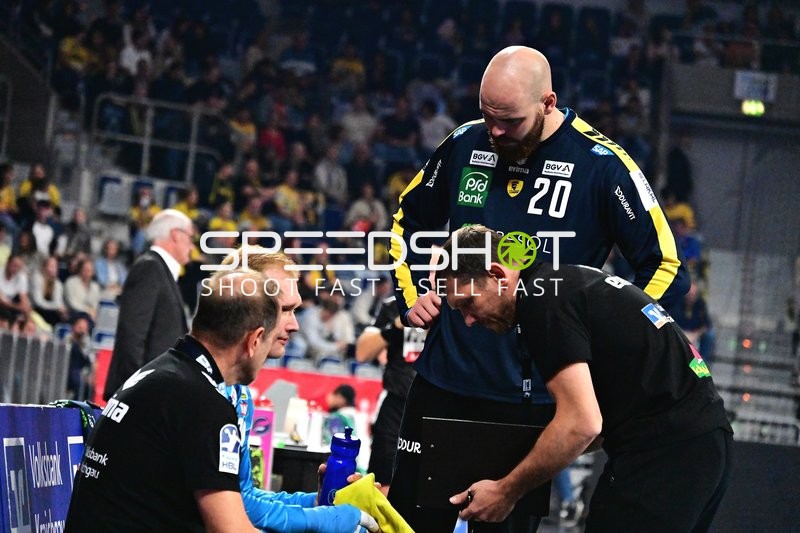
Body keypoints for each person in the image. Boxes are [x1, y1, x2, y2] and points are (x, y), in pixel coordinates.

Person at [387, 45, 689, 531]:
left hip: (531, 401)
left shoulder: (603, 165)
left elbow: (668, 266)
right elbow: (405, 221)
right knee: (403, 525)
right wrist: (415, 291)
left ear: (548, 103)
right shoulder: (466, 143)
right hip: (443, 382)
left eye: (509, 120)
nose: (496, 131)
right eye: (487, 116)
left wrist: (604, 349)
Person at [439, 225, 732, 530]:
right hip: (707, 444)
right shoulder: (565, 283)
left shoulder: (542, 302)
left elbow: (582, 424)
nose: (468, 320)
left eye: (468, 303)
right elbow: (594, 427)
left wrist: (505, 490)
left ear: (498, 276)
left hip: (664, 454)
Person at [65, 270, 280, 531]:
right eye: (269, 341)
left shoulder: (162, 373)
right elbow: (230, 529)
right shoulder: (204, 404)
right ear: (254, 340)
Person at [219, 246, 380, 532]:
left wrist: (318, 501)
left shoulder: (238, 394)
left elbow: (246, 499)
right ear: (246, 308)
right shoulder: (210, 394)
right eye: (286, 310)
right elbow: (236, 512)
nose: (295, 325)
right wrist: (328, 519)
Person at [103, 209, 192, 399]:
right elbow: (132, 334)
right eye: (190, 237)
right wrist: (135, 393)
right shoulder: (150, 267)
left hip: (154, 394)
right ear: (175, 234)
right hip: (141, 397)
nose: (192, 246)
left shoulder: (161, 271)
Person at [355, 294, 419, 496]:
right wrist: (396, 326)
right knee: (382, 483)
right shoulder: (395, 304)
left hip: (441, 406)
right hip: (397, 404)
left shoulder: (458, 303)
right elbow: (362, 353)